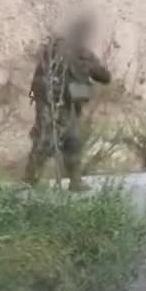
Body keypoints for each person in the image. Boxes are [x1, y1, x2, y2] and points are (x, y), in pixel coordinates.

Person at [25, 14, 111, 191]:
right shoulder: (78, 54)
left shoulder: (51, 52)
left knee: (63, 141)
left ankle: (35, 181)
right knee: (53, 141)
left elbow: (103, 76)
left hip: (58, 105)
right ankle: (38, 181)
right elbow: (104, 76)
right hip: (59, 105)